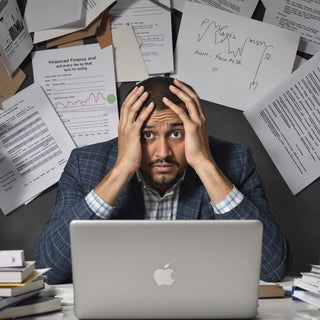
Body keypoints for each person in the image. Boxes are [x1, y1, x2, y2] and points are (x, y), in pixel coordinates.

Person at [34, 77, 291, 284]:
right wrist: (122, 169)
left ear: (197, 129)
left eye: (176, 133)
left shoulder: (236, 161)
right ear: (126, 133)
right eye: (147, 135)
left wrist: (204, 164)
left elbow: (272, 267)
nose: (163, 152)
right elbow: (49, 269)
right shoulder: (85, 165)